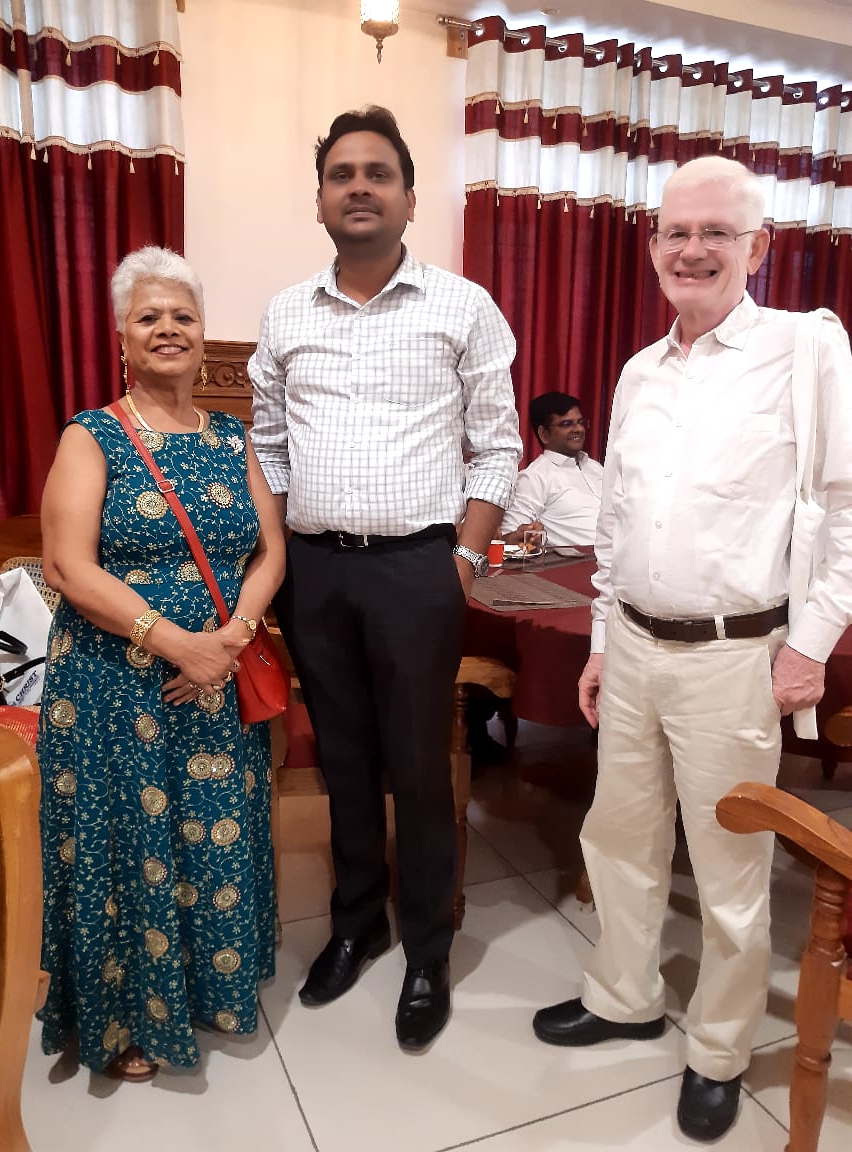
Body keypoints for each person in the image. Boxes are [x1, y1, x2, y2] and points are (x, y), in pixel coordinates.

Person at [532, 156, 852, 1141]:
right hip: (633, 645)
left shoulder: (804, 349)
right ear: (653, 245)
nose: (694, 249)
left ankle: (718, 1048)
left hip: (736, 657)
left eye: (718, 232)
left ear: (760, 246)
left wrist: (811, 647)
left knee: (729, 866)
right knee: (618, 837)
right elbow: (617, 527)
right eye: (677, 231)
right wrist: (599, 641)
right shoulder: (639, 371)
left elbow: (845, 509)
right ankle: (624, 996)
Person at [249, 106, 521, 1050]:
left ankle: (429, 947)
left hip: (419, 568)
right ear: (320, 198)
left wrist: (464, 561)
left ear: (408, 196)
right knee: (345, 756)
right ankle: (357, 921)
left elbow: (498, 446)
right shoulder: (286, 313)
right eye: (341, 174)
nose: (358, 186)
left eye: (378, 173)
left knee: (418, 762)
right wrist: (278, 561)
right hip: (315, 571)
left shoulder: (463, 306)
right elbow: (268, 447)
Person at [37, 246, 285, 1079]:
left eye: (183, 315)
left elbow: (270, 550)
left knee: (211, 838)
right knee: (127, 844)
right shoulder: (93, 435)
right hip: (114, 686)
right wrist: (181, 644)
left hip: (216, 681)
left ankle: (210, 991)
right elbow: (68, 566)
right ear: (122, 339)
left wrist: (233, 638)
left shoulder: (232, 437)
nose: (168, 328)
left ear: (204, 335)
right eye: (149, 317)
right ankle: (123, 1023)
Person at [500, 392, 602, 549]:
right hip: (583, 561)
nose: (578, 429)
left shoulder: (595, 468)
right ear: (544, 434)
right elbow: (510, 536)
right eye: (567, 424)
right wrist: (529, 535)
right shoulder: (534, 477)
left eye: (580, 422)